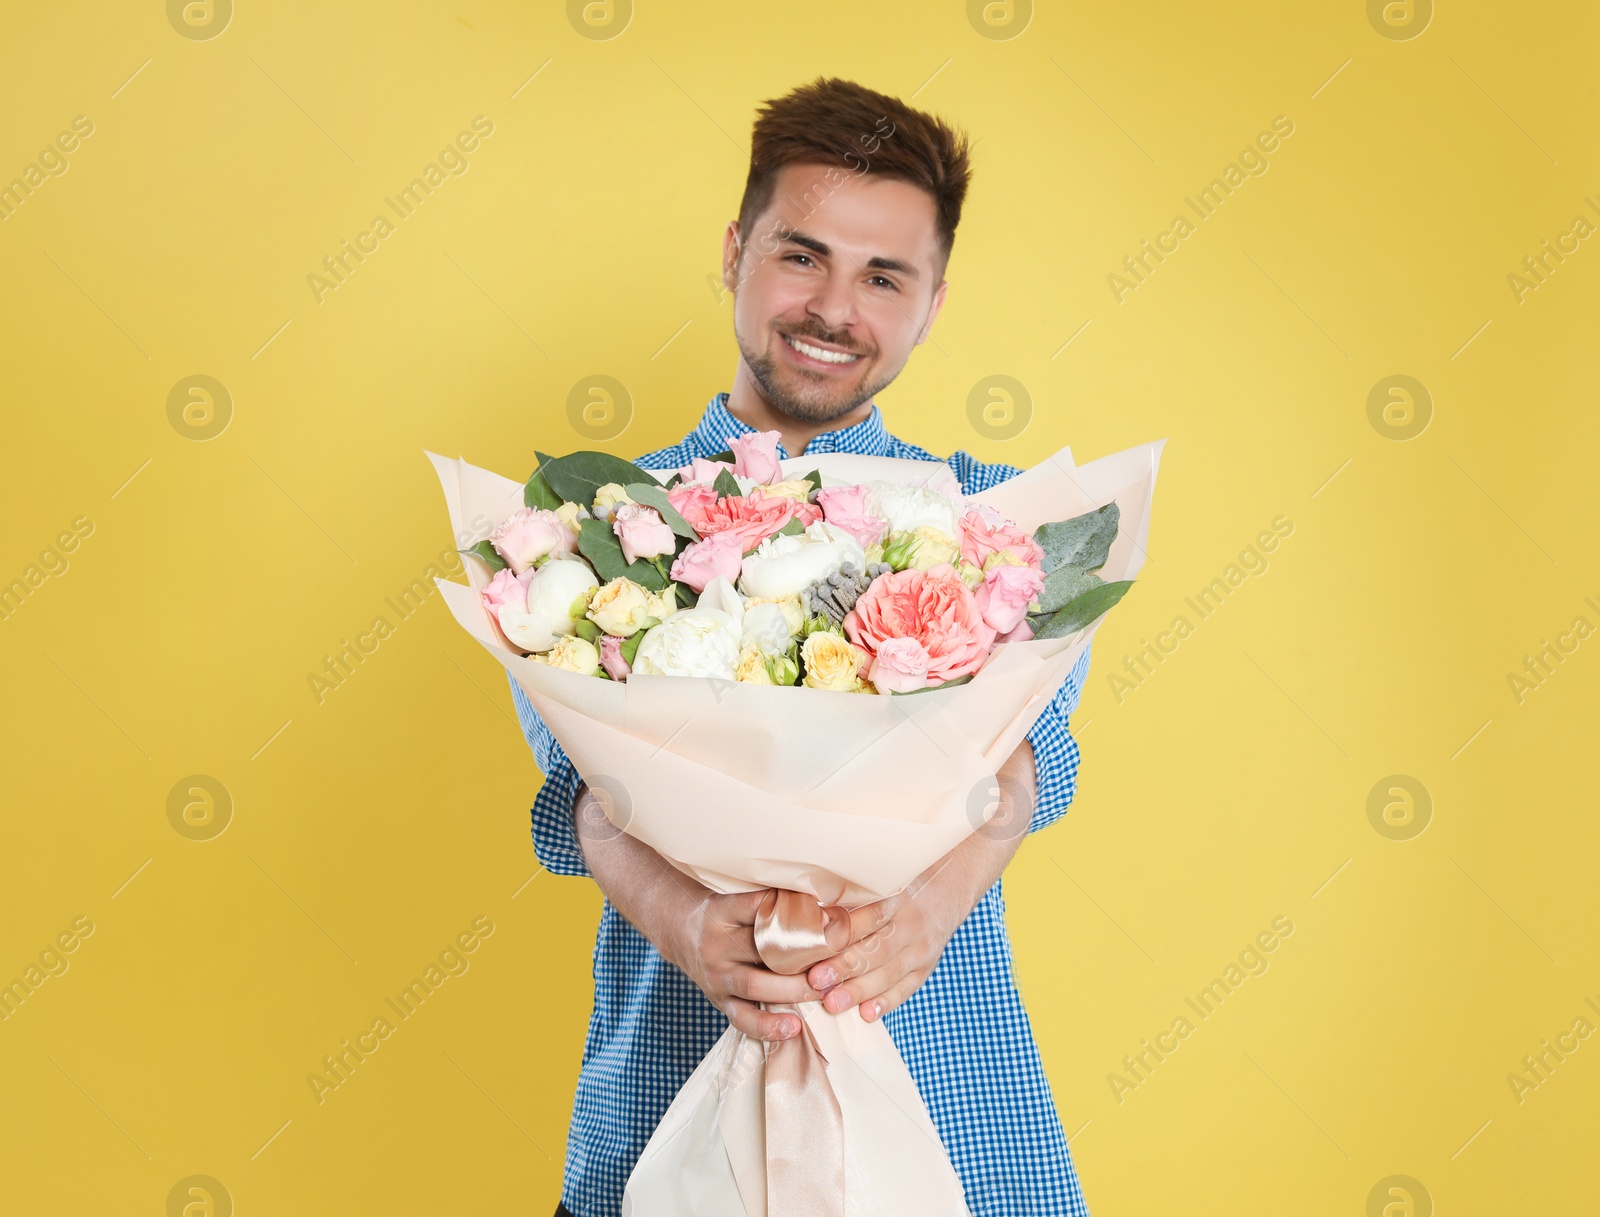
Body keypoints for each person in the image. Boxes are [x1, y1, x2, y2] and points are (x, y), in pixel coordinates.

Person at [512, 75, 1094, 1217]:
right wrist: (687, 923)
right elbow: (583, 795)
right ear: (734, 252)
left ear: (930, 303)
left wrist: (925, 912)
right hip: (676, 1057)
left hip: (942, 1064)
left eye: (883, 275)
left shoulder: (989, 520)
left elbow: (1027, 762)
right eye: (802, 255)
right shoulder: (602, 529)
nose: (835, 307)